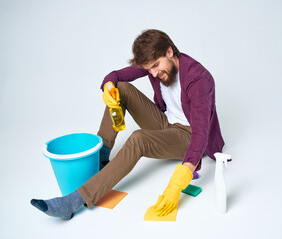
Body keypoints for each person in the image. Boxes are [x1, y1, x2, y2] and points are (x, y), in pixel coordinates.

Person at [30, 29, 225, 220]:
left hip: (189, 136)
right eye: (149, 69)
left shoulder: (199, 79)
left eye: (156, 65)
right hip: (166, 124)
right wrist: (108, 88)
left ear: (169, 51)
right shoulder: (154, 64)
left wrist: (182, 175)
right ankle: (101, 159)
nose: (154, 73)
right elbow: (116, 76)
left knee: (138, 139)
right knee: (121, 88)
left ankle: (74, 201)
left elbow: (200, 133)